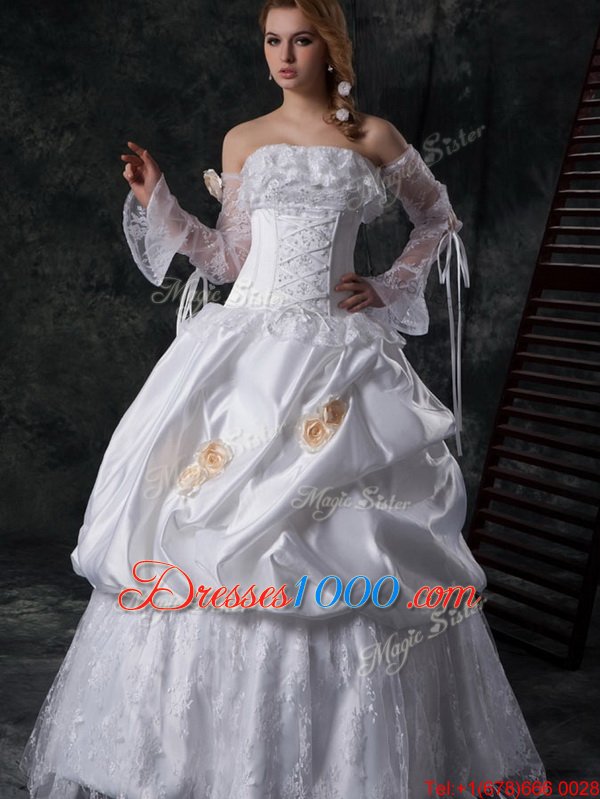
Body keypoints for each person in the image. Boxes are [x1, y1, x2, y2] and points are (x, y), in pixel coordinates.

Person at [19, 1, 547, 797]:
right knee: (201, 524)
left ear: (330, 46)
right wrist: (161, 200)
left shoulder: (373, 136)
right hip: (246, 352)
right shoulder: (244, 139)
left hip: (339, 358)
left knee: (350, 538)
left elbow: (438, 221)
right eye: (272, 40)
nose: (284, 55)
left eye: (301, 39)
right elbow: (229, 260)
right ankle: (201, 758)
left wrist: (387, 284)